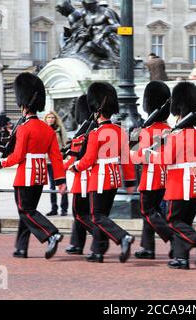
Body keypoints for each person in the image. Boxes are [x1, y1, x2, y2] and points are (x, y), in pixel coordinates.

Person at [0, 72, 67, 260]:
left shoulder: (24, 128)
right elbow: (56, 158)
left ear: (23, 104)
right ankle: (21, 248)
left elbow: (18, 157)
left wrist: (1, 163)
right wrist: (60, 181)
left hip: (25, 175)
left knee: (26, 211)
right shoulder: (47, 129)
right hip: (40, 176)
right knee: (26, 212)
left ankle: (51, 233)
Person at [69, 82, 136, 263]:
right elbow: (126, 160)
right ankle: (97, 251)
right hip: (114, 179)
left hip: (99, 179)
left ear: (96, 111)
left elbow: (89, 159)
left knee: (96, 216)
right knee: (102, 216)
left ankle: (123, 237)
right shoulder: (120, 131)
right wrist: (130, 182)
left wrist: (75, 167)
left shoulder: (95, 133)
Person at [159, 82, 196, 270]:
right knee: (184, 223)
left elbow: (164, 160)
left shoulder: (176, 136)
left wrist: (156, 147)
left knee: (173, 221)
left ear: (180, 112)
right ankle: (181, 259)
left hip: (178, 187)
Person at [130, 81, 174, 260]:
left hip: (151, 177)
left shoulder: (146, 131)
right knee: (154, 212)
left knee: (147, 210)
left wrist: (132, 142)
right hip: (167, 177)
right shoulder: (170, 130)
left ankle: (176, 239)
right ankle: (147, 248)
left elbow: (137, 157)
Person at [63, 95, 108, 256]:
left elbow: (73, 160)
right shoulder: (98, 132)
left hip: (82, 179)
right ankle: (76, 243)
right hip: (96, 178)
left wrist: (59, 166)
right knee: (84, 213)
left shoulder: (82, 137)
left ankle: (101, 235)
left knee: (79, 213)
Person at [43, 110, 69, 217]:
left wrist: (63, 155)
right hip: (48, 161)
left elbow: (66, 144)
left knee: (62, 184)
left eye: (52, 117)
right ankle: (54, 208)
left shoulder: (60, 130)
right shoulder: (42, 130)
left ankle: (64, 208)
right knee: (52, 186)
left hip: (58, 161)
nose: (51, 119)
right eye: (49, 117)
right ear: (45, 119)